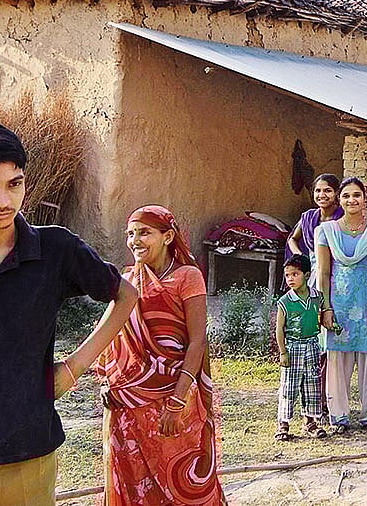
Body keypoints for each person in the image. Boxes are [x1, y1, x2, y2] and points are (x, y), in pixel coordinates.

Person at [0, 123, 138, 506]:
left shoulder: (55, 249)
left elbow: (125, 294)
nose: (3, 200)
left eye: (14, 184)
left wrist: (74, 367)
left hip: (29, 454)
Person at [94, 205, 225, 506]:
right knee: (134, 480)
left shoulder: (187, 277)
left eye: (144, 233)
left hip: (175, 395)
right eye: (131, 234)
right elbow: (111, 336)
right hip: (128, 399)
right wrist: (106, 381)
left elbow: (197, 342)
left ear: (167, 237)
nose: (135, 241)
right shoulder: (128, 281)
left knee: (183, 481)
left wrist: (177, 401)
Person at [316, 177, 367, 435]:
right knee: (337, 358)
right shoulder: (326, 231)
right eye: (346, 196)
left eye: (356, 195)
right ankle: (339, 416)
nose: (352, 200)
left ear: (365, 199)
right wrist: (326, 308)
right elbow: (324, 272)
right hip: (339, 303)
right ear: (340, 200)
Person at [285, 173, 343, 417]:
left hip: (336, 278)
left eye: (327, 190)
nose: (322, 195)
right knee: (313, 336)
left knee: (330, 340)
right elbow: (293, 239)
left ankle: (329, 397)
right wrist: (301, 257)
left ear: (336, 194)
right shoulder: (309, 217)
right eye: (318, 190)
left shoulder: (342, 217)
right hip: (312, 278)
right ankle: (312, 398)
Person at [275, 254, 327, 441]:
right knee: (289, 386)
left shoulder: (317, 297)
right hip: (293, 347)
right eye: (287, 275)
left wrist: (333, 325)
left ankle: (310, 422)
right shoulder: (285, 302)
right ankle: (283, 424)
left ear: (307, 275)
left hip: (312, 345)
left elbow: (323, 318)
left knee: (312, 384)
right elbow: (279, 329)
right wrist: (283, 352)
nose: (290, 279)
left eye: (295, 274)